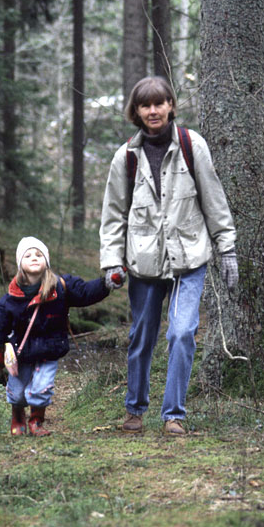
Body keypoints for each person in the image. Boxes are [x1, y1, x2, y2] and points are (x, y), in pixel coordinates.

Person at [98, 76, 239, 436]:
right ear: (137, 111)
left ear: (171, 105)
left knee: (181, 333)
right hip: (144, 265)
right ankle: (134, 410)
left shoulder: (193, 146)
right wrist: (112, 262)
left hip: (189, 260)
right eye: (145, 105)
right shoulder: (125, 158)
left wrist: (227, 250)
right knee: (142, 336)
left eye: (159, 103)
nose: (153, 110)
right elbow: (113, 215)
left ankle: (173, 415)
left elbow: (214, 202)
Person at [0, 236, 109, 436]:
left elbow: (86, 292)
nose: (34, 258)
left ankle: (36, 421)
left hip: (49, 349)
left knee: (41, 389)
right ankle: (18, 414)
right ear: (20, 264)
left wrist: (107, 283)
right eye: (28, 255)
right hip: (21, 353)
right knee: (17, 394)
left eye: (39, 254)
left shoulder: (60, 287)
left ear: (47, 261)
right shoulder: (10, 298)